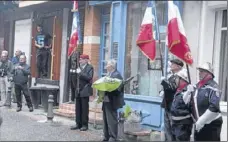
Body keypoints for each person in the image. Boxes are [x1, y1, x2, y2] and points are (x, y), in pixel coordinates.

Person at [188, 62, 223, 141]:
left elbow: (214, 107)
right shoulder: (197, 86)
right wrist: (187, 93)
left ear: (209, 73)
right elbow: (191, 103)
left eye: (202, 71)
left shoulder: (214, 87)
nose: (199, 73)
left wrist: (201, 121)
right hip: (199, 124)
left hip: (211, 125)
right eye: (199, 71)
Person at [160, 59, 184, 141]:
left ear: (178, 66)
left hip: (173, 106)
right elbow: (168, 89)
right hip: (167, 104)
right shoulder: (172, 76)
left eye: (173, 64)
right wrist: (163, 92)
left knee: (172, 128)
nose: (171, 65)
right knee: (167, 129)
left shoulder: (180, 77)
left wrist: (164, 82)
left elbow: (173, 88)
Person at [102, 59, 125, 141]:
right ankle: (106, 136)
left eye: (107, 65)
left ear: (111, 66)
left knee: (112, 120)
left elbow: (118, 89)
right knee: (105, 119)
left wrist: (108, 87)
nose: (106, 66)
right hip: (106, 99)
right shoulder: (109, 74)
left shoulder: (117, 74)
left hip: (112, 100)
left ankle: (113, 137)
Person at [70, 54, 94, 131]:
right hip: (78, 90)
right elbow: (75, 79)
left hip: (85, 90)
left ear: (86, 60)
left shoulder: (90, 68)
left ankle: (84, 124)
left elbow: (89, 77)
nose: (80, 60)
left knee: (84, 108)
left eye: (82, 59)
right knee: (78, 108)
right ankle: (78, 123)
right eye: (80, 59)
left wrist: (80, 73)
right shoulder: (78, 67)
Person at [170, 69, 193, 141]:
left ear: (182, 79)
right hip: (175, 124)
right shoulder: (178, 90)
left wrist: (188, 92)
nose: (175, 80)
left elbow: (186, 101)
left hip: (183, 125)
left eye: (177, 78)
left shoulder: (187, 90)